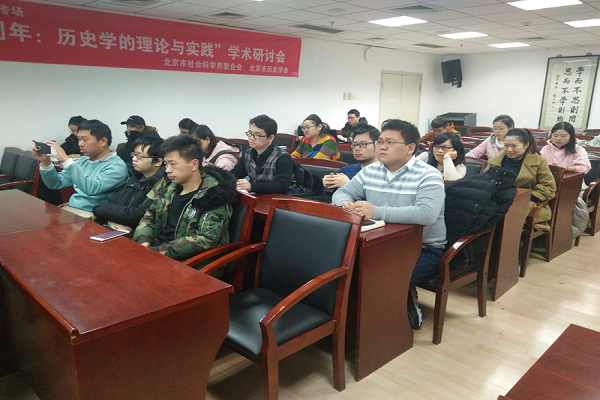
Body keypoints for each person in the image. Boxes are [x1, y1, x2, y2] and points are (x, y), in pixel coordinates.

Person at [332, 119, 446, 330]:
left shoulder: (428, 175)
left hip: (421, 248)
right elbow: (342, 192)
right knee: (343, 272)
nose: (382, 147)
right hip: (376, 243)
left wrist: (375, 211)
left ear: (410, 148)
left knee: (384, 280)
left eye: (390, 142)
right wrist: (344, 204)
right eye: (380, 141)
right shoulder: (371, 171)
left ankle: (399, 312)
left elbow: (427, 214)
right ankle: (348, 325)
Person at [133, 134, 236, 262]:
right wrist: (143, 241)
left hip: (188, 262)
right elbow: (150, 217)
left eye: (173, 164)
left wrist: (157, 251)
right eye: (166, 164)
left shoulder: (214, 195)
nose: (167, 170)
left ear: (194, 164)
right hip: (156, 252)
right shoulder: (169, 187)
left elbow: (207, 239)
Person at [32, 119, 128, 217]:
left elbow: (92, 189)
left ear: (103, 141)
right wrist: (45, 161)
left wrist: (66, 161)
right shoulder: (83, 160)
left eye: (85, 140)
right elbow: (55, 183)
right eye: (79, 139)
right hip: (73, 209)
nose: (80, 144)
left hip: (94, 214)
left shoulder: (116, 166)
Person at [486, 128, 556, 231]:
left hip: (527, 202)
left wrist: (523, 197)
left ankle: (505, 240)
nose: (509, 150)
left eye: (514, 146)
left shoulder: (538, 161)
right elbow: (485, 181)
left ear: (526, 145)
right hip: (498, 199)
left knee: (509, 212)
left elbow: (548, 187)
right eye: (506, 146)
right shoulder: (496, 160)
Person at [92, 136, 166, 232]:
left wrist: (99, 210)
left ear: (158, 161)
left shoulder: (162, 184)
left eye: (140, 156)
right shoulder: (135, 176)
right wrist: (110, 219)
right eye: (134, 154)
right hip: (117, 228)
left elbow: (137, 216)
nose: (134, 159)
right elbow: (112, 202)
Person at [231, 114, 294, 194]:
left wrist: (252, 186)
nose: (251, 138)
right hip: (259, 196)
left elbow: (282, 185)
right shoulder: (247, 154)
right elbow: (234, 175)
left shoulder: (283, 157)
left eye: (257, 135)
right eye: (250, 133)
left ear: (270, 138)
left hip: (283, 198)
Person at [323, 124, 379, 189]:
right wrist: (328, 183)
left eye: (363, 144)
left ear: (377, 145)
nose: (357, 148)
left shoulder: (384, 174)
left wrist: (349, 184)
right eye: (354, 144)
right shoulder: (346, 170)